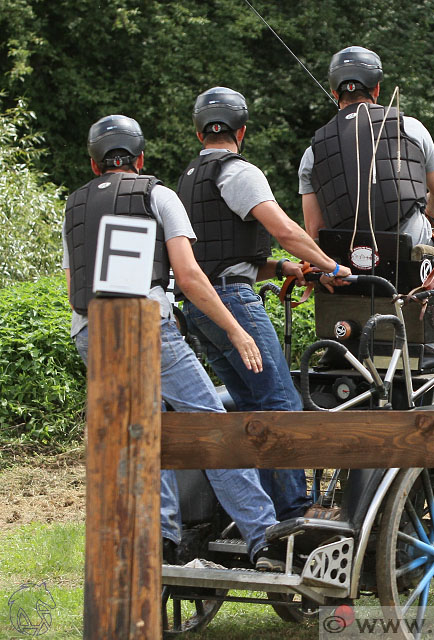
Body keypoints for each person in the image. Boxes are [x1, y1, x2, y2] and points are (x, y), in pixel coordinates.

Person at [63, 114, 287, 571]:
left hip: (93, 332)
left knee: (142, 434)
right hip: (147, 327)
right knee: (211, 430)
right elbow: (188, 276)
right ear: (141, 158)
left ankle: (159, 542)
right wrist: (235, 328)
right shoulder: (156, 194)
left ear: (93, 165)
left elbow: (74, 285)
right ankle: (264, 538)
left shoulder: (73, 207)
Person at [177, 87, 350, 520]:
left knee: (252, 406)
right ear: (243, 131)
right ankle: (296, 509)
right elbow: (287, 231)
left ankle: (267, 509)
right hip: (233, 303)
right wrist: (332, 267)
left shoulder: (187, 181)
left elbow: (219, 259)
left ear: (200, 133)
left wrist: (281, 269)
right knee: (281, 403)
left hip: (202, 308)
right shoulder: (239, 172)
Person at [298, 45, 434, 353]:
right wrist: (428, 213)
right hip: (411, 260)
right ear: (377, 88)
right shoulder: (410, 128)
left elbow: (315, 230)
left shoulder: (312, 152)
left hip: (350, 271)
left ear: (335, 92)